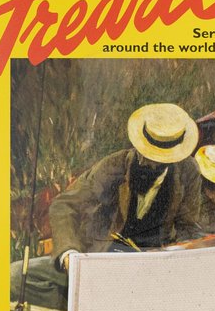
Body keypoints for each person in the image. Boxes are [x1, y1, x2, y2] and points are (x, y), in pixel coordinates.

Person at [49, 103, 203, 270]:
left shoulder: (188, 171)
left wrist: (185, 255)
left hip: (158, 261)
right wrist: (69, 252)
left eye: (162, 158)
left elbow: (187, 226)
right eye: (149, 154)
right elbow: (65, 204)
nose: (152, 163)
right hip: (108, 256)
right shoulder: (114, 166)